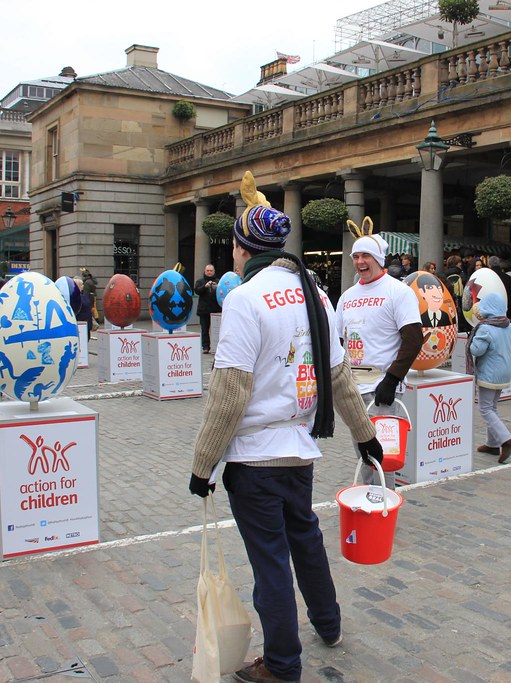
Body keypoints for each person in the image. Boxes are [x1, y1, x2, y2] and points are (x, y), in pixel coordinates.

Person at [188, 171, 382, 683]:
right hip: (299, 448)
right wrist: (366, 437)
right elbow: (339, 377)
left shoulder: (244, 299)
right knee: (306, 541)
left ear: (240, 248)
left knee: (270, 562)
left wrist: (202, 465)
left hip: (254, 457)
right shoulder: (313, 292)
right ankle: (329, 622)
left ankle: (281, 664)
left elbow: (229, 392)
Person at [335, 221, 423, 408]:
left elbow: (413, 339)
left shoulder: (399, 291)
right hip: (353, 390)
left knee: (383, 439)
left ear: (378, 259)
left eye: (366, 255)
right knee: (359, 439)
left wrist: (392, 380)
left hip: (382, 388)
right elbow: (338, 342)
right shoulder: (346, 296)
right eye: (356, 256)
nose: (360, 261)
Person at [467, 292, 511, 463]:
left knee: (485, 408)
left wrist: (472, 338)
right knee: (493, 407)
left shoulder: (486, 328)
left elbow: (477, 350)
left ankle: (506, 439)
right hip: (504, 372)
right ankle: (492, 443)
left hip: (489, 373)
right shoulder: (509, 326)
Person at [193, 264, 222, 353]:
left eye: (211, 271)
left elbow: (222, 292)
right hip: (204, 310)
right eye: (208, 271)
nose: (209, 272)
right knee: (204, 330)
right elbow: (197, 291)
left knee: (217, 330)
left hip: (216, 310)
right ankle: (205, 347)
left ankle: (217, 346)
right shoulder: (200, 281)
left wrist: (217, 288)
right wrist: (205, 286)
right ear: (205, 271)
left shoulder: (218, 281)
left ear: (214, 272)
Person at [487, 255, 511, 322]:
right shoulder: (508, 278)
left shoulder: (487, 278)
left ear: (489, 266)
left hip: (490, 315)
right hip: (506, 315)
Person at [443, 254, 468, 333]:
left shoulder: (444, 275)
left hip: (448, 302)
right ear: (458, 264)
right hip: (460, 302)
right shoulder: (461, 274)